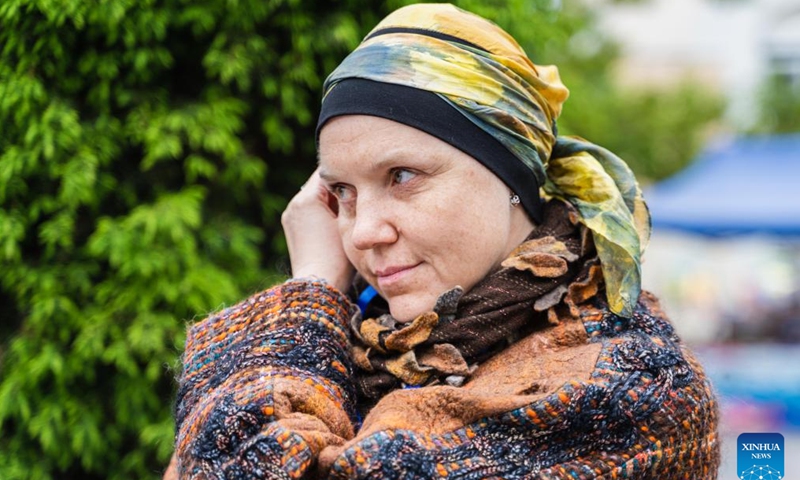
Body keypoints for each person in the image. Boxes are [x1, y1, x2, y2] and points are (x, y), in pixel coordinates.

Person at [165, 4, 720, 479]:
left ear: (510, 176)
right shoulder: (352, 349)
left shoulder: (630, 386)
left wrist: (309, 291)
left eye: (402, 176)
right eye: (341, 191)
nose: (362, 233)